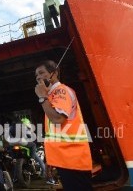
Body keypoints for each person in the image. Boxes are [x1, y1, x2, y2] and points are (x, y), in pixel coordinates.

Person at [35, 60, 92, 190]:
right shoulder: (52, 96)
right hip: (66, 159)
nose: (38, 77)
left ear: (53, 73)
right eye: (36, 75)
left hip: (73, 160)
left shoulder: (61, 92)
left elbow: (58, 118)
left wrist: (42, 97)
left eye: (41, 73)